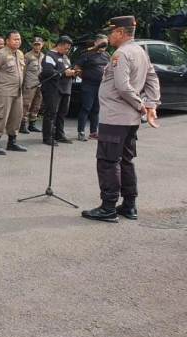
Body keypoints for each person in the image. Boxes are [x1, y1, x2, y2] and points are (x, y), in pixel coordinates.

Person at [81, 16, 160, 222]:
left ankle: (108, 207)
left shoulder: (121, 54)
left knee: (107, 162)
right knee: (125, 161)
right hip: (129, 120)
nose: (109, 36)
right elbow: (152, 78)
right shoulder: (140, 51)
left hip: (115, 118)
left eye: (111, 32)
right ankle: (129, 205)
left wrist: (143, 106)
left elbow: (123, 86)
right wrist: (151, 103)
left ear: (120, 33)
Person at [0, 31, 27, 155]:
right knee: (1, 117)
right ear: (8, 41)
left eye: (19, 39)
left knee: (16, 117)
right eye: (14, 39)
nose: (17, 41)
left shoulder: (20, 54)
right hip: (4, 91)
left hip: (17, 91)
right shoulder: (1, 54)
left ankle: (12, 142)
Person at [40, 36, 77, 145]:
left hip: (66, 88)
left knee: (62, 113)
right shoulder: (50, 56)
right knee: (51, 113)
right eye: (66, 48)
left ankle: (59, 135)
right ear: (59, 45)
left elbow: (67, 68)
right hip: (53, 89)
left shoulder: (65, 57)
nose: (67, 50)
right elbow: (48, 72)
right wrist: (64, 73)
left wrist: (73, 72)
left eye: (69, 49)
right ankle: (48, 137)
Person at [75, 34, 110, 141]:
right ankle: (81, 132)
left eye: (106, 44)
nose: (104, 46)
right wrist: (84, 76)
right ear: (96, 43)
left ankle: (93, 132)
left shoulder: (107, 55)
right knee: (86, 108)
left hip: (101, 86)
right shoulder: (87, 54)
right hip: (88, 85)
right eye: (102, 43)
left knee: (96, 109)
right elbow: (77, 68)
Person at [20, 37, 45, 134]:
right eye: (35, 44)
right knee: (26, 104)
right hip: (30, 84)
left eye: (39, 44)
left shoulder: (43, 56)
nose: (37, 46)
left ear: (42, 45)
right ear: (32, 45)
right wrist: (22, 84)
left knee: (37, 104)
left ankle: (32, 124)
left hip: (40, 83)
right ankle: (22, 124)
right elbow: (23, 71)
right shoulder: (28, 56)